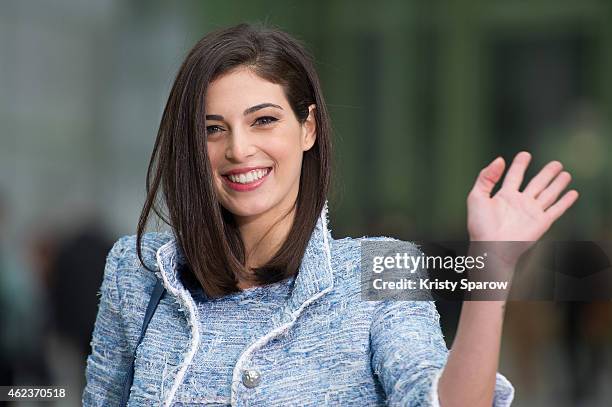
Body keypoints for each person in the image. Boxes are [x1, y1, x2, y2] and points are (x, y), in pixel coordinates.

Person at [82, 23, 579, 406]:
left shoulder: (381, 268)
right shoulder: (139, 271)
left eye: (264, 121)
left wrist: (492, 265)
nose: (238, 148)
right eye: (213, 129)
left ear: (308, 129)